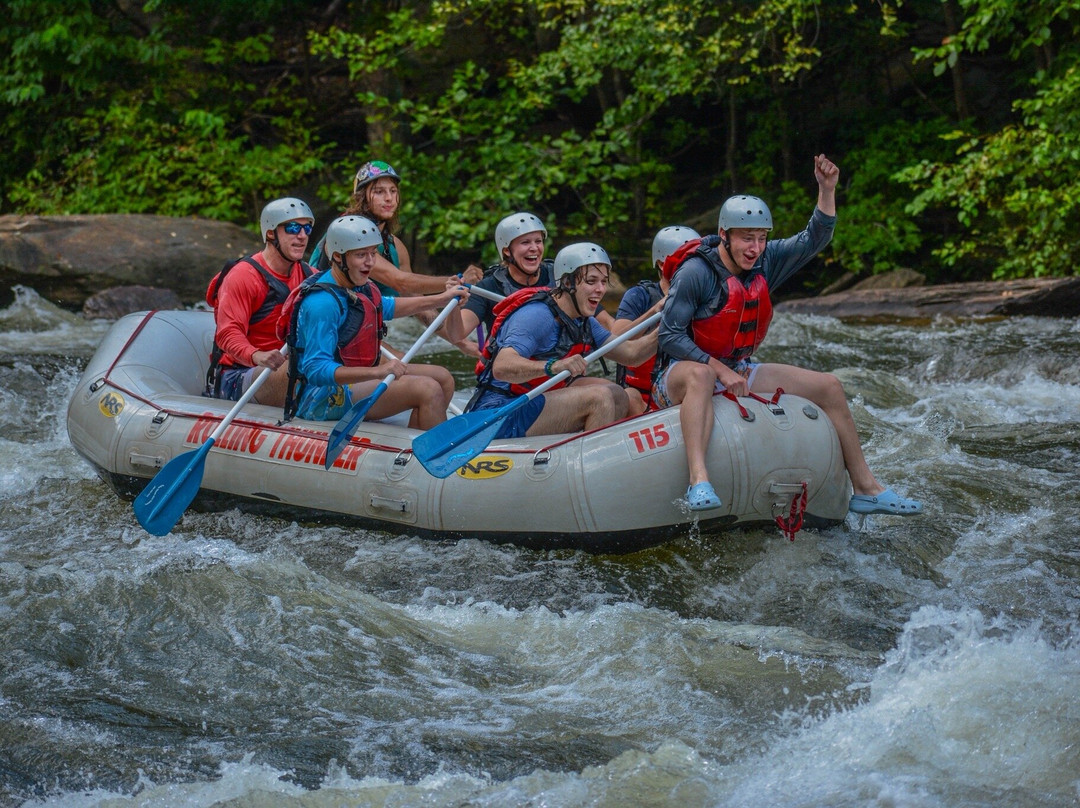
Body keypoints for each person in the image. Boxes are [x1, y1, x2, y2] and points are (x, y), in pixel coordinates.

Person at [655, 154, 923, 515]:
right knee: (702, 375)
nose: (755, 248)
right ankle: (698, 480)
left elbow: (813, 239)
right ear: (724, 235)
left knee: (830, 386)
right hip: (679, 375)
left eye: (761, 238)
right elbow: (670, 336)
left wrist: (826, 190)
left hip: (739, 366)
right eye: (747, 238)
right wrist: (719, 370)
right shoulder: (695, 273)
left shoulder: (764, 261)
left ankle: (866, 488)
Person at [281, 215, 470, 429]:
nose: (370, 262)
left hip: (357, 381)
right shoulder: (322, 303)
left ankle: (414, 441)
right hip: (320, 397)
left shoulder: (362, 287)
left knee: (443, 378)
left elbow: (388, 306)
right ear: (338, 256)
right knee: (428, 389)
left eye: (373, 253)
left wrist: (442, 299)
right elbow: (317, 371)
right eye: (361, 255)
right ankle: (435, 447)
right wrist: (378, 372)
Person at [465, 242, 657, 438]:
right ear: (567, 283)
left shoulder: (585, 322)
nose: (601, 289)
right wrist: (554, 366)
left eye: (604, 281)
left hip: (529, 406)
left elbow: (632, 355)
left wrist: (666, 320)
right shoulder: (536, 316)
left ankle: (585, 448)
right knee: (599, 398)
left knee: (617, 395)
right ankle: (590, 455)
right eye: (591, 281)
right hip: (497, 413)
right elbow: (501, 367)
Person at [457, 211, 617, 357]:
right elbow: (458, 332)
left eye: (538, 241)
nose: (534, 248)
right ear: (507, 251)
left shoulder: (562, 277)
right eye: (525, 242)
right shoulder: (488, 286)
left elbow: (607, 323)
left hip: (560, 363)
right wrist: (454, 300)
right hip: (512, 367)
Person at [204, 197, 315, 407]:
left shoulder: (310, 275)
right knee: (300, 369)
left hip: (286, 368)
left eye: (307, 228)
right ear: (271, 233)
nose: (302, 236)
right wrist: (257, 355)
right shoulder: (243, 276)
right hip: (238, 375)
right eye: (292, 228)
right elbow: (227, 333)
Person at [612, 225, 700, 413]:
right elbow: (615, 341)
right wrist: (654, 311)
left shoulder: (706, 296)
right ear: (662, 264)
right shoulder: (639, 296)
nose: (695, 268)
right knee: (629, 397)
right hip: (641, 397)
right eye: (688, 261)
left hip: (685, 390)